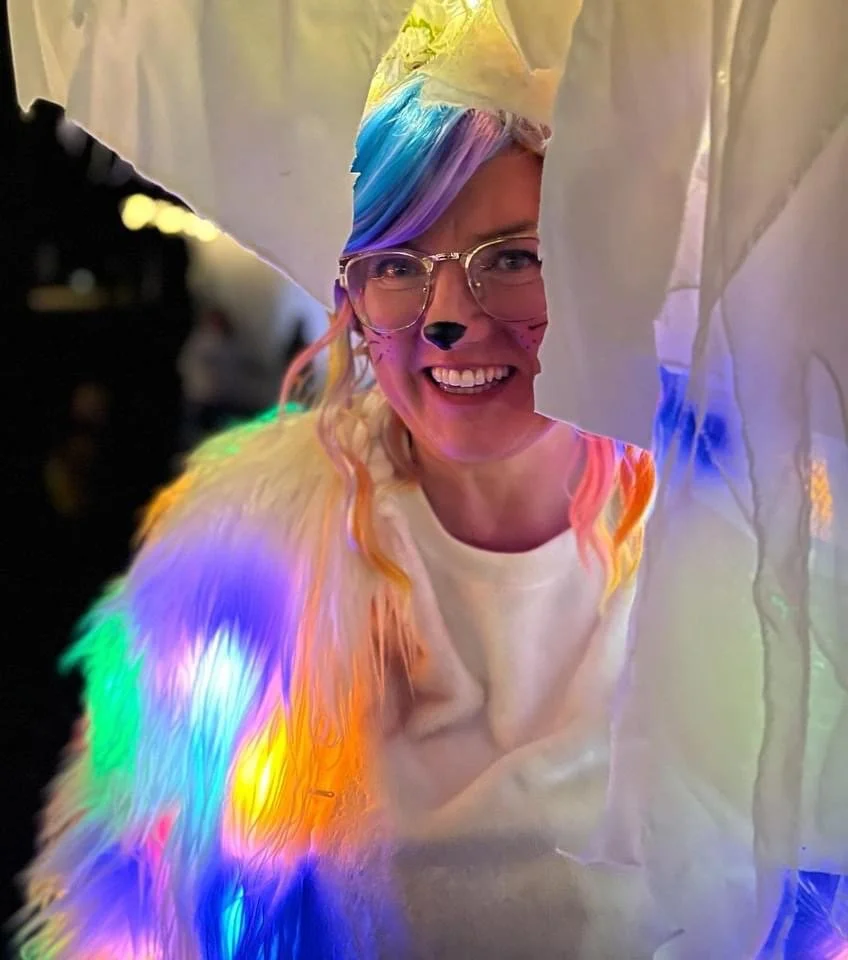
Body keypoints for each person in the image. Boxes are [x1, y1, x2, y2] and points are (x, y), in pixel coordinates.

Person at [13, 9, 848, 960]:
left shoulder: (761, 559)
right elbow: (129, 919)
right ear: (352, 301)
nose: (449, 317)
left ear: (596, 261)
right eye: (398, 265)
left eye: (512, 258)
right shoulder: (231, 581)